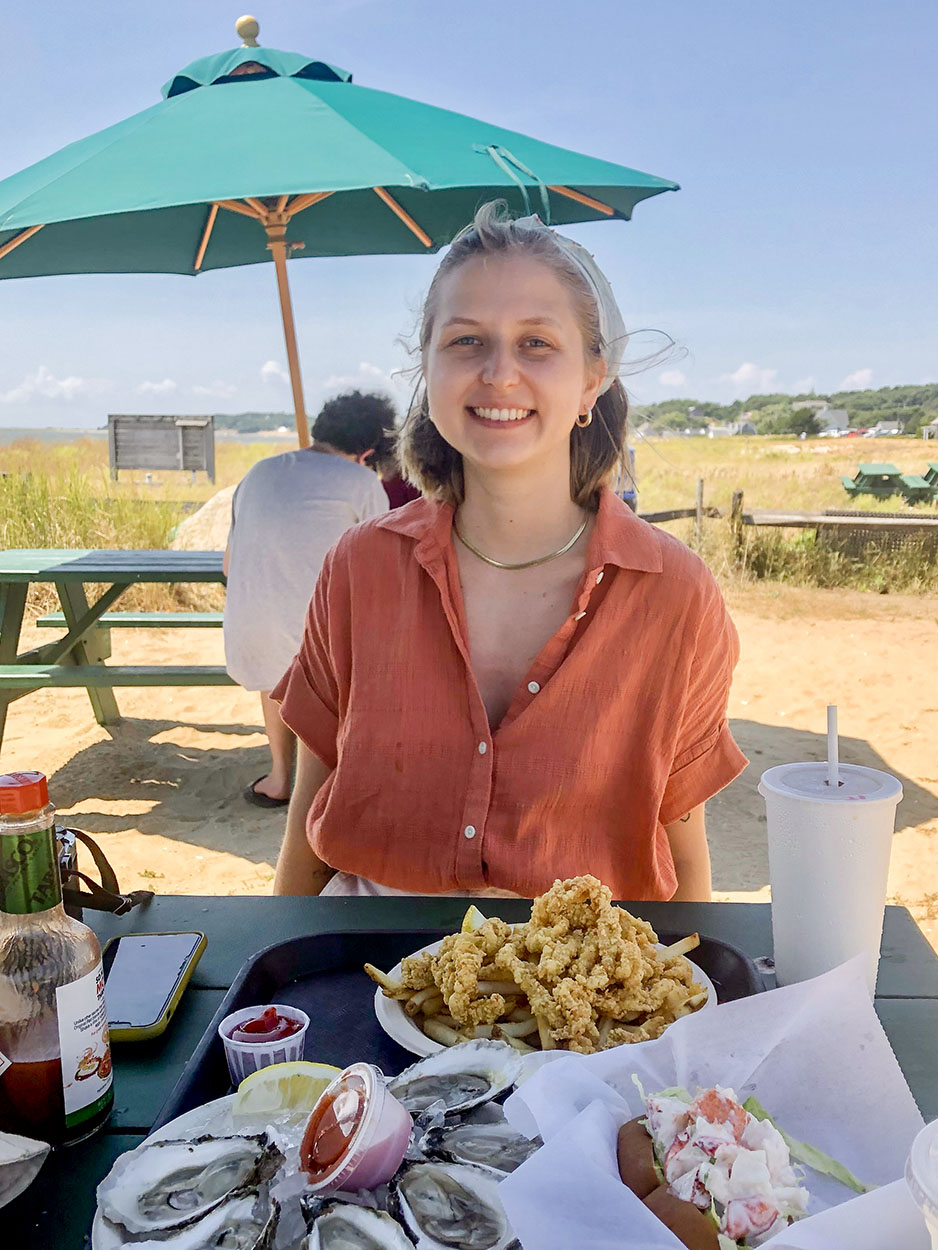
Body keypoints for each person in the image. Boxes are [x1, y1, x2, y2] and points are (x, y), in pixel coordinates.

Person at [271, 203, 746, 899]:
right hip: (362, 970)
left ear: (593, 380)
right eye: (466, 341)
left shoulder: (674, 592)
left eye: (536, 344)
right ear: (426, 367)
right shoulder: (358, 569)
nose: (497, 374)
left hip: (588, 985)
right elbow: (308, 834)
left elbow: (684, 859)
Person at [223, 392, 391, 806]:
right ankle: (334, 779)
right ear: (367, 451)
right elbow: (382, 568)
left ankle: (280, 776)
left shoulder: (260, 471)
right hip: (317, 651)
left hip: (249, 639)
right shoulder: (362, 482)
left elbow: (228, 566)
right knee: (351, 640)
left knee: (275, 666)